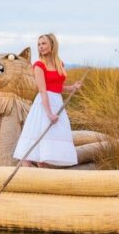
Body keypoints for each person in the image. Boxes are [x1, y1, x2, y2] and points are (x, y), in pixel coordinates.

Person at [13, 33, 82, 168]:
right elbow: (43, 90)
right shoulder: (39, 65)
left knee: (46, 146)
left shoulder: (59, 64)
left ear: (52, 44)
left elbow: (57, 88)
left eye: (44, 43)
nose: (41, 47)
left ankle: (43, 180)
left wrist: (72, 87)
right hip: (43, 106)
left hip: (57, 103)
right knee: (32, 144)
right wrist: (49, 113)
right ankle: (28, 178)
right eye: (39, 44)